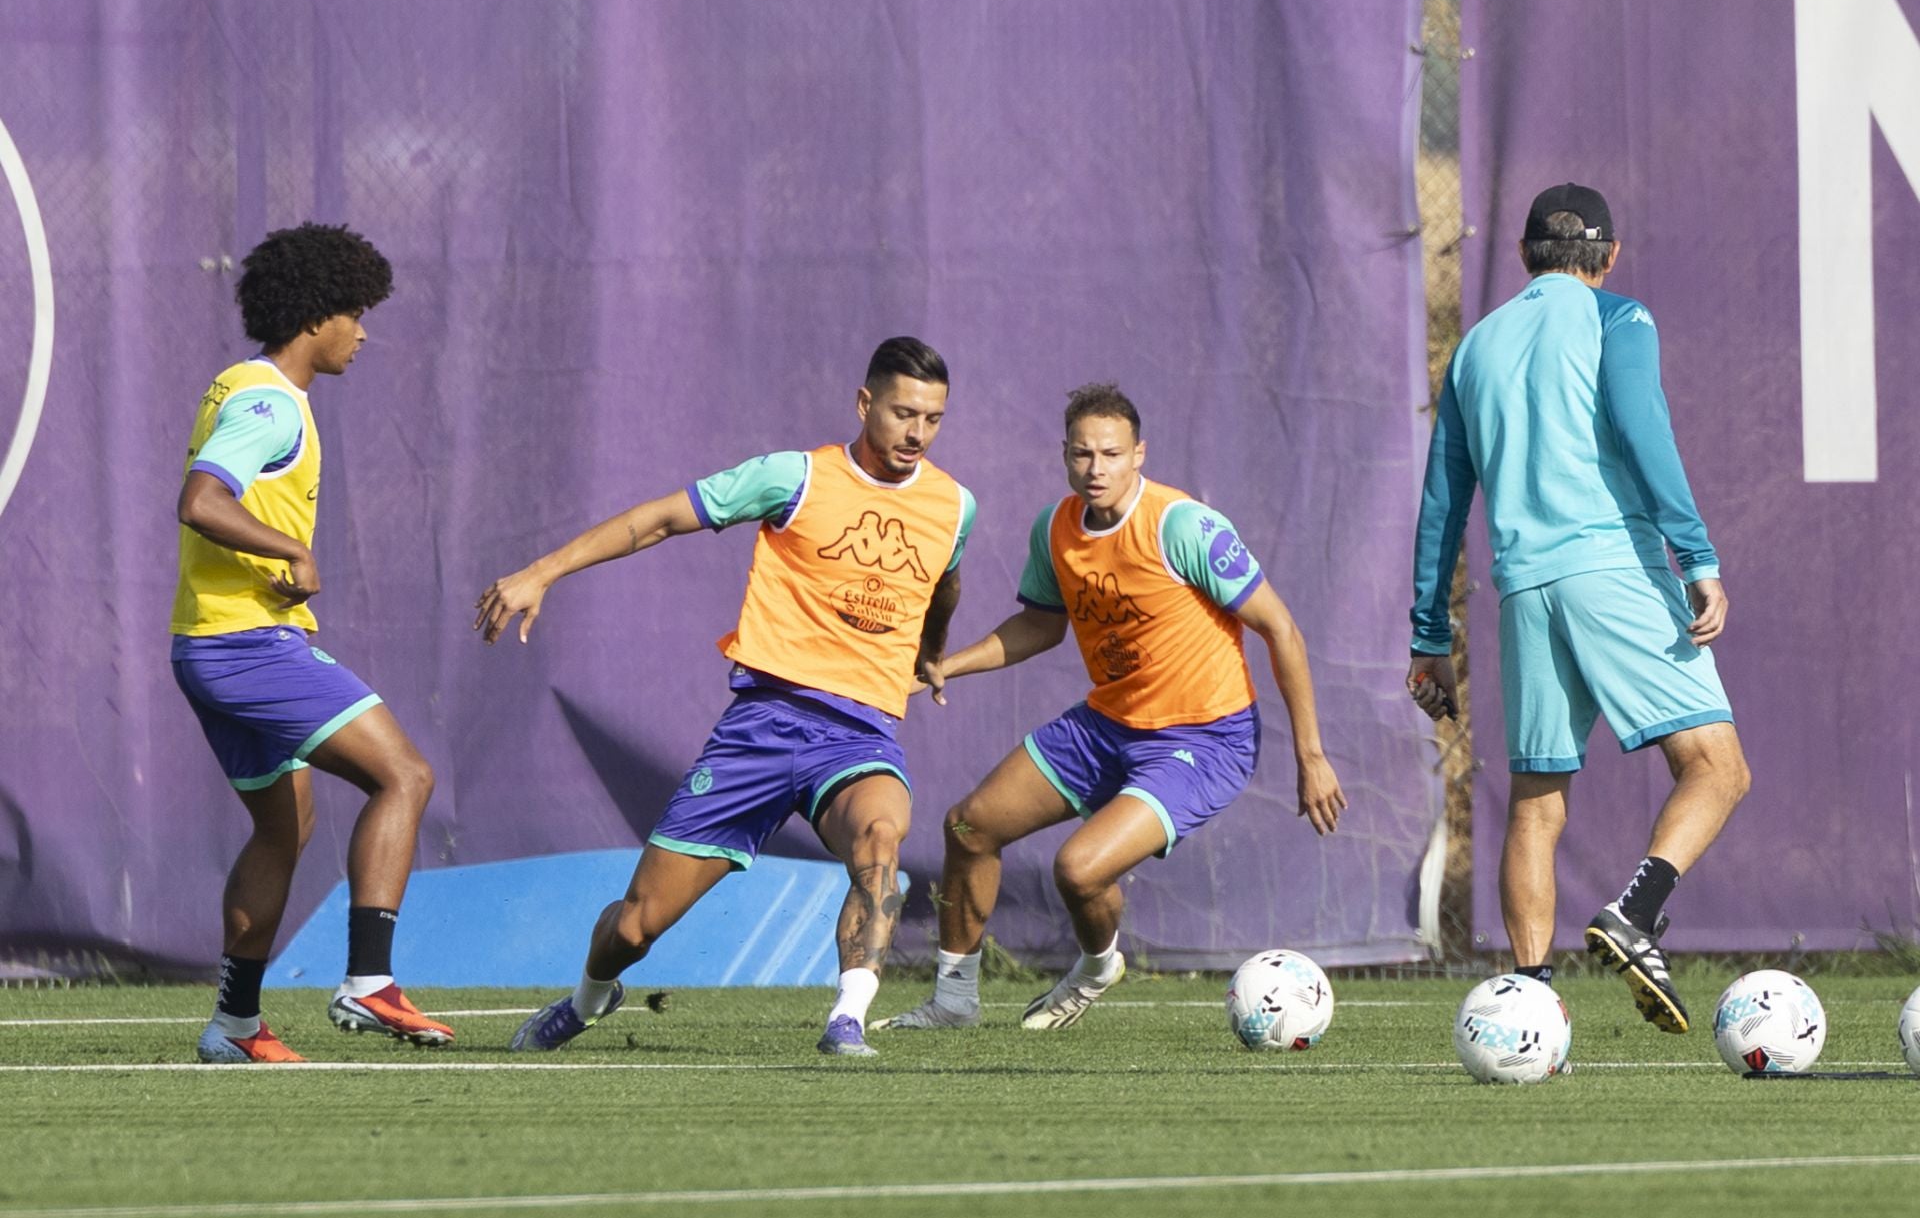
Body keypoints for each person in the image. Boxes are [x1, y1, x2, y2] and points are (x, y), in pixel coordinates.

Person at [478, 337, 972, 1057]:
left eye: (932, 419)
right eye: (903, 413)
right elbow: (657, 521)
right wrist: (542, 573)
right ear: (865, 403)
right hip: (761, 729)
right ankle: (589, 996)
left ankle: (847, 1019)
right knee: (635, 927)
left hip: (858, 736)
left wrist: (931, 650)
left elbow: (945, 577)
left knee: (881, 838)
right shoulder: (793, 478)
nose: (916, 434)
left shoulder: (955, 505)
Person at [878, 382, 1345, 1033]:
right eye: (1081, 454)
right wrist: (948, 664)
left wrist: (1312, 755)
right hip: (1108, 724)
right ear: (1065, 455)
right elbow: (1041, 626)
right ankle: (954, 1002)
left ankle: (1098, 966)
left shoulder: (1182, 526)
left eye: (1110, 454)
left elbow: (1282, 629)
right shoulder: (1057, 528)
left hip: (1206, 740)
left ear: (1138, 455)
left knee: (1078, 870)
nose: (1095, 469)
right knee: (968, 827)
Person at [1406, 183, 1750, 1034]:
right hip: (1614, 569)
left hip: (1522, 588)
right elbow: (1641, 425)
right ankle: (1636, 914)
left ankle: (1528, 1005)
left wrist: (1426, 633)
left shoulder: (1477, 346)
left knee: (1535, 801)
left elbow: (1443, 500)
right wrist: (1696, 555)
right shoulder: (1619, 317)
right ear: (1609, 259)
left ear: (1523, 258)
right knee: (1717, 766)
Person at [173, 223, 451, 1064]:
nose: (362, 333)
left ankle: (233, 1025)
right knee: (403, 775)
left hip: (208, 642)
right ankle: (370, 983)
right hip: (246, 644)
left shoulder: (239, 385)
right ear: (316, 315)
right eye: (355, 313)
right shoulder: (269, 402)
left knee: (282, 830)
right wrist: (289, 550)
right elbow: (201, 499)